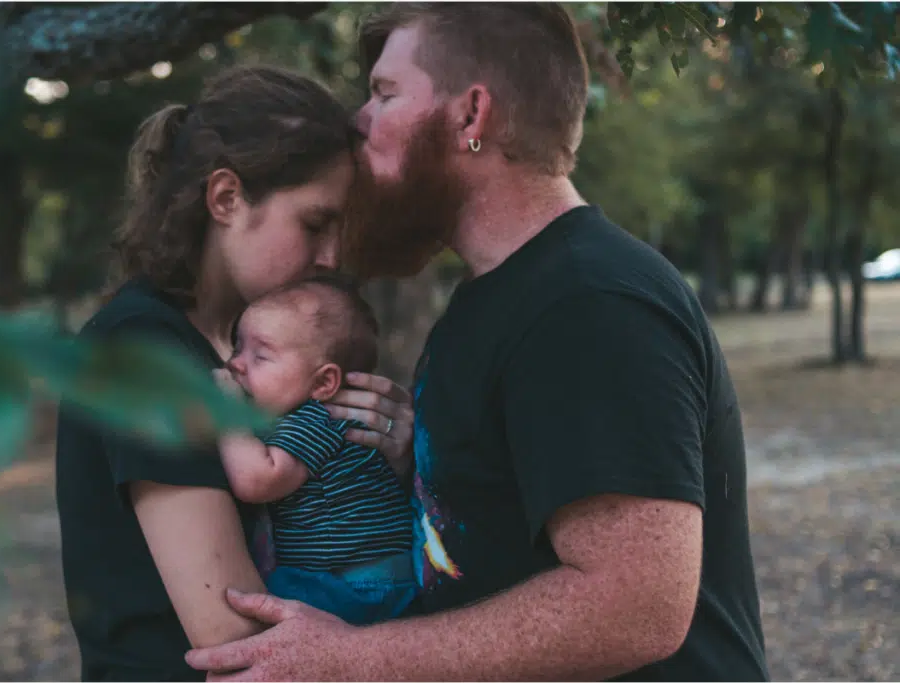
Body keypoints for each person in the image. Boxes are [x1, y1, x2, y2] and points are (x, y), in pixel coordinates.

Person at [185, 4, 770, 681]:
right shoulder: (493, 298)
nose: (358, 121)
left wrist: (353, 658)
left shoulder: (589, 303)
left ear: (471, 115)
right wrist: (421, 468)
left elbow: (636, 603)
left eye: (384, 94)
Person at [54, 65, 415, 682]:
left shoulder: (239, 356)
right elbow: (236, 638)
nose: (330, 257)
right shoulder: (145, 352)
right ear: (225, 199)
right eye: (314, 223)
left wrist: (393, 462)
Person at [215, 274, 417, 625]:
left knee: (260, 613)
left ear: (324, 382)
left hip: (351, 584)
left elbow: (257, 480)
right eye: (237, 347)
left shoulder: (318, 417)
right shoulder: (319, 414)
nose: (235, 363)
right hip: (371, 579)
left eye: (260, 355)